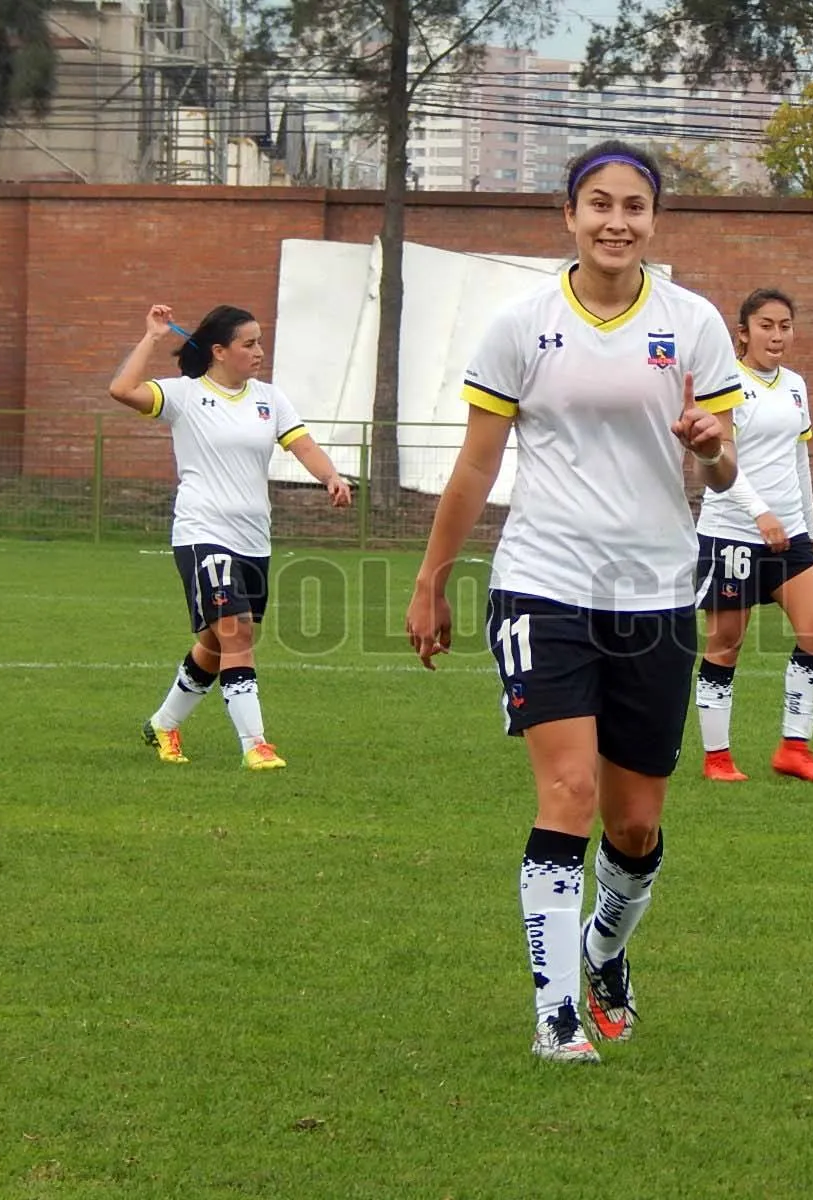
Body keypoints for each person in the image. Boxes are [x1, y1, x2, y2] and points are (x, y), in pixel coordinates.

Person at [405, 140, 743, 1065]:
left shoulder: (693, 323)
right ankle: (555, 1016)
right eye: (599, 203)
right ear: (569, 215)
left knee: (634, 826)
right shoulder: (520, 325)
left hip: (656, 595)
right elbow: (476, 467)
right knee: (568, 792)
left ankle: (603, 951)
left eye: (634, 206)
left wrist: (711, 446)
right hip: (541, 585)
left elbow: (722, 471)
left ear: (654, 220)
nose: (616, 222)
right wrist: (432, 579)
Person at [108, 303, 352, 770]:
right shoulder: (184, 394)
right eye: (249, 343)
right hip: (203, 532)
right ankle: (255, 745)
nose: (259, 352)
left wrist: (331, 477)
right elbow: (122, 389)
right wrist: (153, 337)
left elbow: (301, 444)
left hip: (254, 540)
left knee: (217, 641)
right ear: (219, 351)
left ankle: (162, 724)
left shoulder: (269, 399)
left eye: (260, 342)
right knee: (236, 632)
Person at [694, 289, 813, 784]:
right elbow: (719, 459)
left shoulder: (796, 385)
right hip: (731, 532)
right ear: (743, 332)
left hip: (790, 534)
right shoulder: (726, 384)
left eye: (785, 326)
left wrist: (809, 528)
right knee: (726, 643)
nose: (777, 336)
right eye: (766, 325)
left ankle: (794, 749)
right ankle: (717, 759)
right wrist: (759, 514)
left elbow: (799, 460)